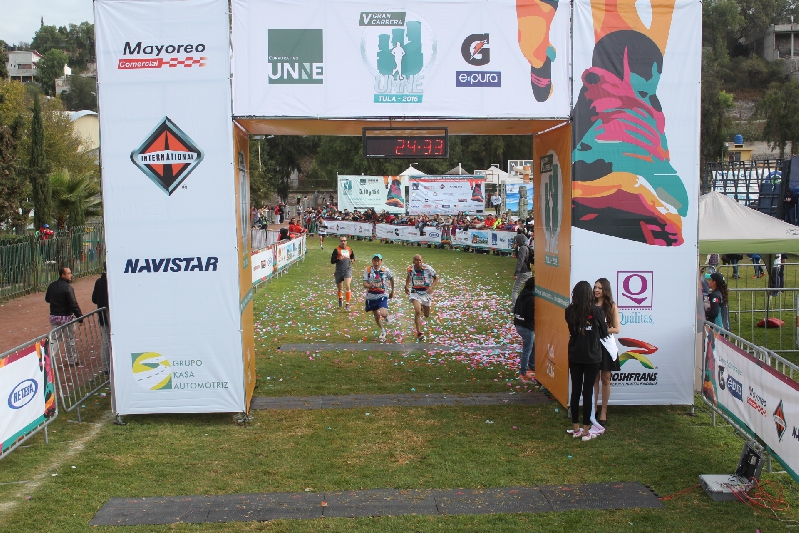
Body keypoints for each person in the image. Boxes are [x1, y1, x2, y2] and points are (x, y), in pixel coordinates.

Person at [565, 281, 607, 441]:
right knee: (587, 392)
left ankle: (576, 428)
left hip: (575, 355)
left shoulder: (569, 311)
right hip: (592, 357)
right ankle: (586, 431)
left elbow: (572, 330)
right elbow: (604, 332)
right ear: (589, 294)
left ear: (575, 294)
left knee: (575, 391)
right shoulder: (597, 311)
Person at [592, 278, 620, 426]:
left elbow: (617, 328)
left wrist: (602, 330)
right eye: (595, 287)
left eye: (600, 288)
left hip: (607, 345)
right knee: (594, 378)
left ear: (606, 290)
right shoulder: (590, 304)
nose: (596, 290)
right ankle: (593, 408)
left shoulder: (612, 306)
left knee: (605, 379)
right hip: (592, 345)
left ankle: (604, 410)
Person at [45, 266, 83, 366]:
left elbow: (47, 299)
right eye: (69, 273)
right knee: (70, 340)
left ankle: (49, 361)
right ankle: (72, 360)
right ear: (63, 275)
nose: (71, 275)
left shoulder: (51, 286)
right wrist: (80, 317)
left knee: (54, 340)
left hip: (54, 316)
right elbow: (73, 304)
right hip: (66, 317)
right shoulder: (68, 288)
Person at [405, 254, 438, 340]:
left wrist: (431, 287)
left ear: (422, 261)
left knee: (426, 315)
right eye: (416, 260)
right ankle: (419, 332)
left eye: (420, 260)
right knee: (418, 311)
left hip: (426, 293)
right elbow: (409, 276)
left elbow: (436, 278)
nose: (418, 261)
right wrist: (406, 285)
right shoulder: (410, 269)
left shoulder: (428, 268)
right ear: (413, 261)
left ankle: (423, 306)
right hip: (415, 293)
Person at [363, 254, 395, 341]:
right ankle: (382, 330)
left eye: (378, 260)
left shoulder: (385, 270)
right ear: (372, 261)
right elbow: (364, 283)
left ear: (381, 261)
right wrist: (369, 285)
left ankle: (386, 316)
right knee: (376, 315)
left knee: (383, 313)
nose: (376, 262)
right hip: (371, 296)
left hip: (382, 294)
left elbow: (392, 279)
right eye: (375, 260)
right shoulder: (367, 270)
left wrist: (392, 291)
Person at [513, 276, 536, 379]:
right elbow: (530, 315)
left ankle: (532, 365)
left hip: (519, 325)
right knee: (527, 350)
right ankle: (523, 372)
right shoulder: (531, 299)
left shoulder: (522, 295)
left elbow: (515, 309)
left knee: (532, 346)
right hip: (527, 327)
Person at [91, 263, 111, 374]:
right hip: (110, 316)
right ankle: (109, 366)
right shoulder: (112, 281)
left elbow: (94, 299)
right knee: (108, 341)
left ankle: (106, 367)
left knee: (105, 341)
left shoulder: (99, 282)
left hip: (103, 315)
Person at [331, 236, 356, 310]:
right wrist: (338, 259)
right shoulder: (336, 250)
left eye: (344, 241)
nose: (343, 242)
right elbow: (332, 261)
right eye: (341, 241)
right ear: (339, 242)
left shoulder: (349, 249)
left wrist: (353, 259)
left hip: (347, 270)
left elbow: (352, 256)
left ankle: (347, 304)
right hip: (339, 271)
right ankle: (340, 298)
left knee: (348, 286)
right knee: (340, 288)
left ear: (346, 241)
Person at [512, 232, 533, 309]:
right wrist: (515, 249)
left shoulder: (522, 248)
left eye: (517, 241)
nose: (516, 242)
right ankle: (526, 306)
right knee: (527, 290)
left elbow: (520, 261)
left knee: (515, 290)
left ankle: (515, 307)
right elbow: (519, 257)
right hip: (528, 271)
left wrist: (516, 273)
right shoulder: (526, 247)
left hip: (524, 272)